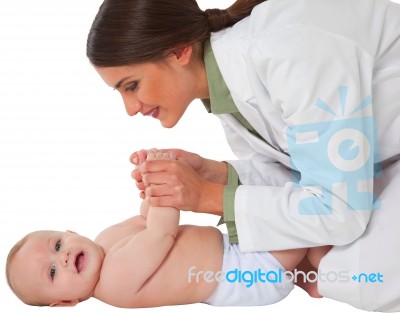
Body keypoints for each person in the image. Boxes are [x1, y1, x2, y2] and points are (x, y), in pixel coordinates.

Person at [86, 0, 400, 311]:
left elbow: (341, 211)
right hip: (380, 159)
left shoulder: (287, 51)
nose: (130, 109)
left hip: (379, 163)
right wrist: (216, 173)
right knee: (337, 268)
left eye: (132, 86)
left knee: (357, 276)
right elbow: (300, 170)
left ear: (178, 51)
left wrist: (208, 197)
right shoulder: (226, 95)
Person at [6, 152, 330, 308]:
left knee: (269, 215)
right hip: (244, 271)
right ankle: (317, 253)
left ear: (71, 231)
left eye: (58, 245)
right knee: (292, 222)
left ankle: (307, 277)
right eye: (51, 272)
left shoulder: (105, 241)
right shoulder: (114, 282)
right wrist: (166, 186)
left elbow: (147, 218)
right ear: (66, 302)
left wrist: (149, 183)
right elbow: (161, 233)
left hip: (232, 249)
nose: (61, 258)